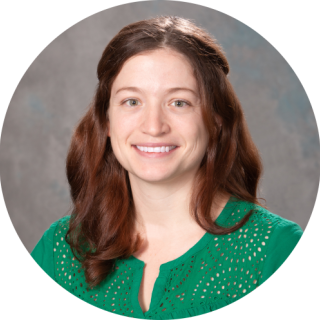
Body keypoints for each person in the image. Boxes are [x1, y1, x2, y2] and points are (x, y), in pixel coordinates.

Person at [30, 15, 304, 318]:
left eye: (179, 102)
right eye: (132, 101)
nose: (154, 126)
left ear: (216, 118)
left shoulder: (275, 250)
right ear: (106, 121)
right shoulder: (58, 252)